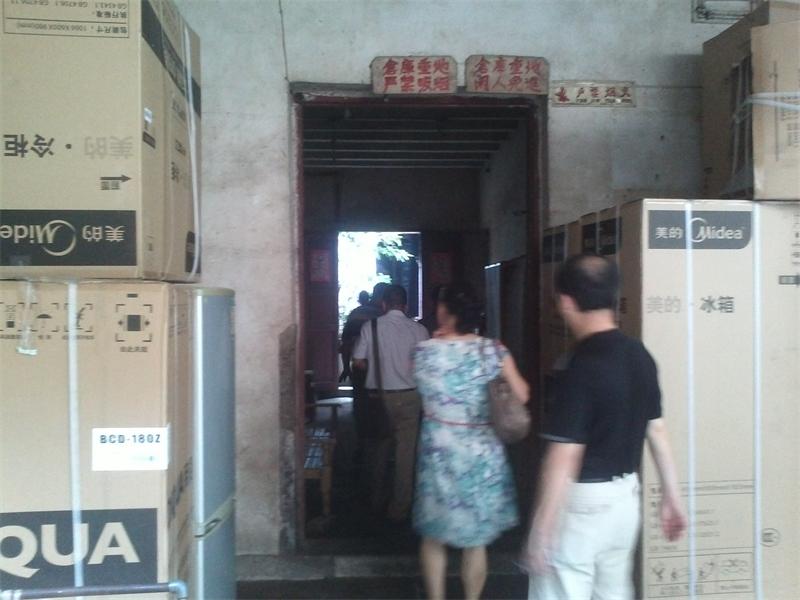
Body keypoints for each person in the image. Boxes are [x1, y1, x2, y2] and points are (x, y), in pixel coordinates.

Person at [520, 254, 686, 600]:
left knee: (563, 589)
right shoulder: (639, 355)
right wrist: (672, 496)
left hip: (583, 504)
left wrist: (541, 529)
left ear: (566, 302)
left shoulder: (578, 366)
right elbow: (656, 429)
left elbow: (565, 456)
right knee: (613, 593)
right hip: (625, 499)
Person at [412, 283, 529, 600]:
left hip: (439, 452)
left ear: (445, 312)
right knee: (476, 541)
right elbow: (522, 394)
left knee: (433, 536)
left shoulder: (424, 352)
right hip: (481, 452)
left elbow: (423, 390)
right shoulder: (494, 351)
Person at [352, 284, 429, 521]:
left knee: (379, 449)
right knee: (406, 453)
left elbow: (357, 361)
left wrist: (376, 364)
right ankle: (399, 508)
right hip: (411, 396)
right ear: (405, 305)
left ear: (383, 304)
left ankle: (376, 500)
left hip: (379, 398)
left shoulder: (371, 327)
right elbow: (426, 366)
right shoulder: (420, 331)